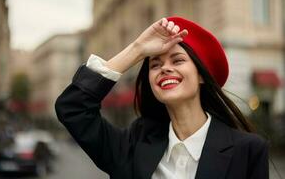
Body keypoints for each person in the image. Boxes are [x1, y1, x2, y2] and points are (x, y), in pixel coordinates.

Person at [55, 17, 269, 179]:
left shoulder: (247, 150)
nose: (165, 69)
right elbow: (73, 108)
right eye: (155, 64)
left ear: (202, 76)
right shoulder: (133, 144)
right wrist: (138, 49)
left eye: (177, 61)